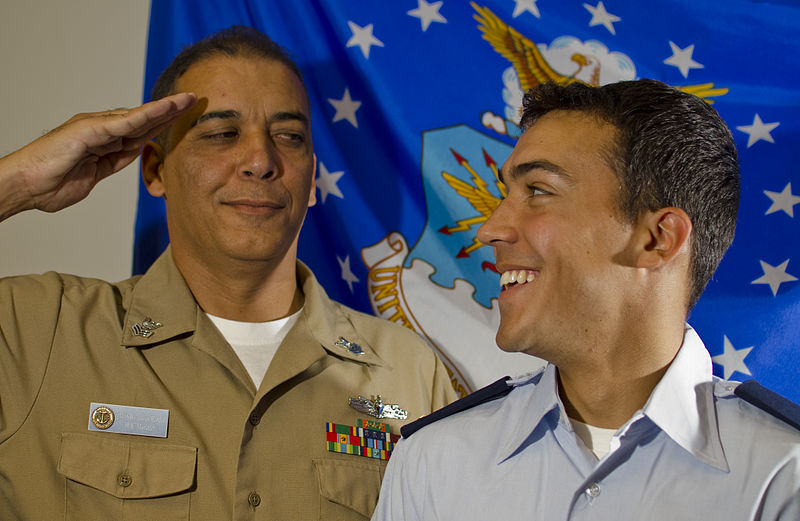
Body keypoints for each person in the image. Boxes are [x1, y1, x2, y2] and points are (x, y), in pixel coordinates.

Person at [0, 26, 456, 520]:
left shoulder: (410, 375)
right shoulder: (34, 332)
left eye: (289, 136)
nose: (261, 160)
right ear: (154, 169)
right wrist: (17, 183)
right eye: (221, 134)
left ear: (310, 181)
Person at [372, 79, 800, 520]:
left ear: (657, 239)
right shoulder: (432, 461)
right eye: (506, 194)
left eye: (538, 191)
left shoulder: (785, 475)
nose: (490, 230)